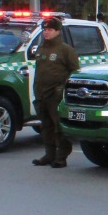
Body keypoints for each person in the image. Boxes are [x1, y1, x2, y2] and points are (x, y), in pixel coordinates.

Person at [32, 16, 79, 168]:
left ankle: (61, 156)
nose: (46, 33)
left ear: (58, 31)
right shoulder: (41, 49)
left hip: (56, 94)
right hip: (41, 93)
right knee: (45, 126)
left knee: (58, 126)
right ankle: (49, 154)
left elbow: (75, 71)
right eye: (45, 30)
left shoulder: (65, 50)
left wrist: (63, 88)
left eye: (50, 30)